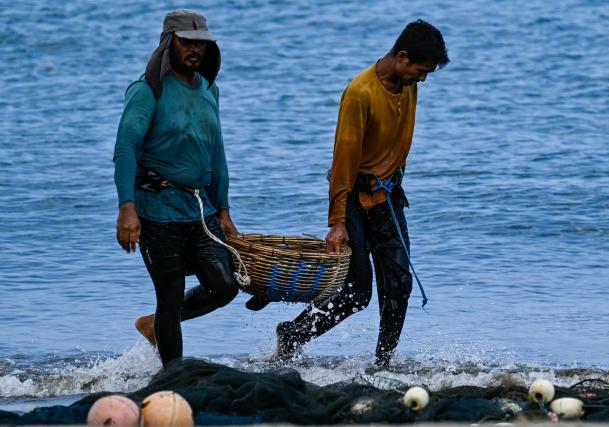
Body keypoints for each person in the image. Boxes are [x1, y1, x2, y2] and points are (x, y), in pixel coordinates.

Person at [274, 19, 449, 366]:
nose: (424, 79)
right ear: (402, 57)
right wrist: (337, 221)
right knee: (357, 293)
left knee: (399, 286)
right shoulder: (360, 93)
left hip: (388, 198)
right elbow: (343, 161)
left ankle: (383, 364)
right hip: (354, 198)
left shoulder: (408, 85)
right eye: (421, 70)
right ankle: (292, 335)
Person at [113, 10, 239, 366]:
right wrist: (127, 208)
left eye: (201, 43)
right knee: (170, 295)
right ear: (169, 44)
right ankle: (173, 379)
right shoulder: (147, 90)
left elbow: (217, 155)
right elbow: (125, 148)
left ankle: (154, 326)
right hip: (156, 209)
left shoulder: (209, 89)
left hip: (200, 210)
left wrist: (225, 211)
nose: (195, 49)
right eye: (187, 41)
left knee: (225, 285)